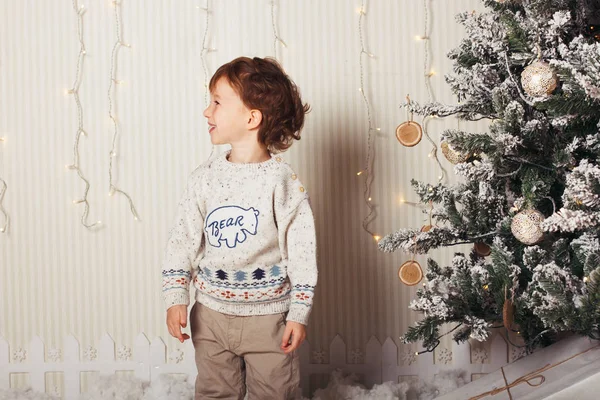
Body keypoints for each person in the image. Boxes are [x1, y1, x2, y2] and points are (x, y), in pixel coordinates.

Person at [161, 56, 318, 399]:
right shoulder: (204, 178)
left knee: (275, 393)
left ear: (252, 118)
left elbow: (302, 252)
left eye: (216, 102)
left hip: (270, 321)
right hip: (211, 317)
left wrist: (299, 313)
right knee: (215, 392)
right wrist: (176, 297)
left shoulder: (282, 182)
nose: (206, 111)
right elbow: (182, 240)